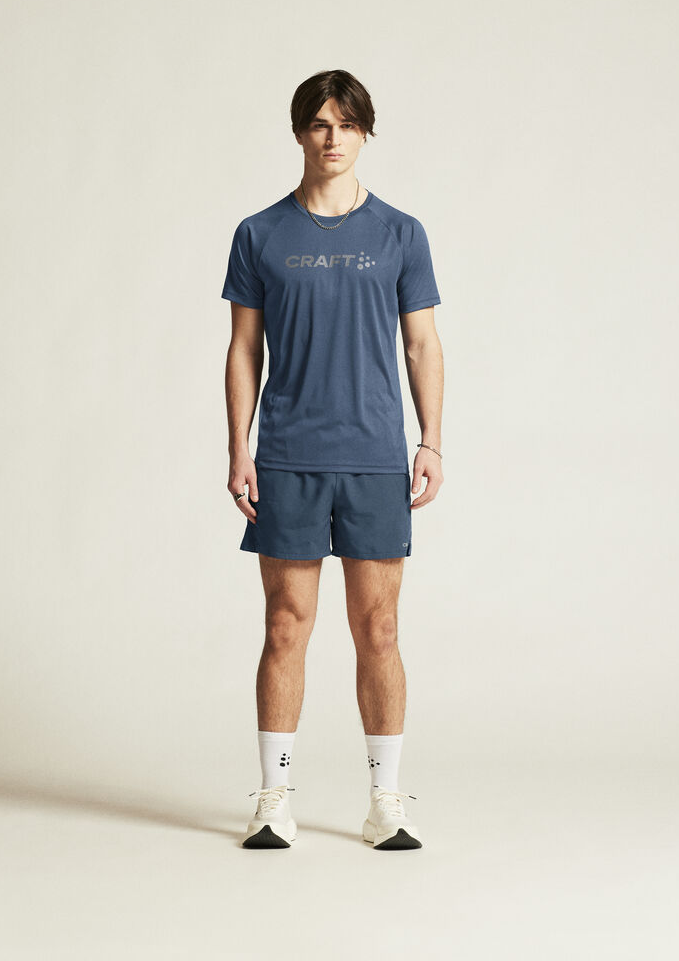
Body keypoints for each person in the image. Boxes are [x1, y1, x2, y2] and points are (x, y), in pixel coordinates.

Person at [221, 69, 444, 850]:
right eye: (319, 123)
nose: (333, 137)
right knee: (286, 625)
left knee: (379, 627)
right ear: (299, 133)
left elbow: (422, 343)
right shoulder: (259, 234)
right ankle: (273, 798)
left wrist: (430, 440)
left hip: (376, 457)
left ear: (365, 133)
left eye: (347, 124)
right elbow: (244, 348)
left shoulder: (400, 233)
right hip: (287, 456)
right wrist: (239, 445)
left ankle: (386, 802)